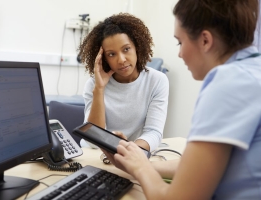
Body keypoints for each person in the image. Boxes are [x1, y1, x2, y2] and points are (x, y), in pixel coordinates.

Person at [103, 0, 261, 199]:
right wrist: (142, 163)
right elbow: (198, 167)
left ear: (205, 40)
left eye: (180, 41)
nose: (180, 53)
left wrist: (140, 168)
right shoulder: (252, 70)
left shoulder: (228, 84)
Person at [78, 13, 169, 151]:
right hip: (95, 155)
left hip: (134, 154)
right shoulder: (94, 84)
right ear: (103, 58)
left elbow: (153, 133)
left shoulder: (157, 81)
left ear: (137, 47)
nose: (121, 60)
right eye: (111, 54)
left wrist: (127, 152)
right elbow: (93, 141)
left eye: (126, 49)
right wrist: (99, 89)